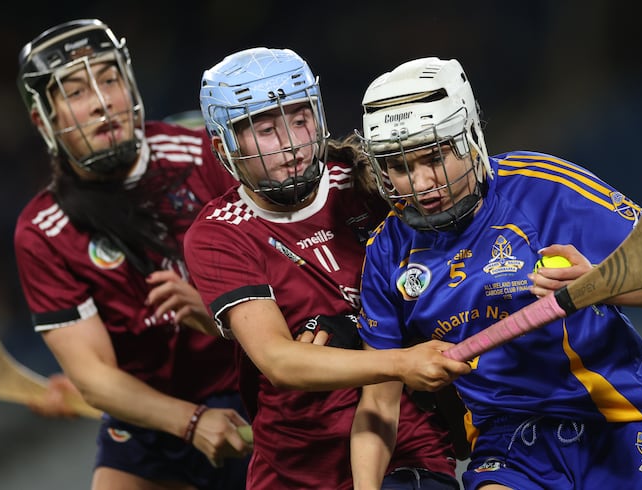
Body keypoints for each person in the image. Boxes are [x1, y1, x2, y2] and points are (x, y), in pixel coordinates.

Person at [351, 57, 642, 489]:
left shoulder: (542, 187)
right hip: (510, 443)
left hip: (617, 419)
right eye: (400, 167)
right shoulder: (387, 251)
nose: (421, 182)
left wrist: (600, 282)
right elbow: (378, 401)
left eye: (435, 156)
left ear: (469, 137)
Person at [185, 47, 471, 489]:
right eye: (265, 130)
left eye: (300, 120)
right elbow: (279, 361)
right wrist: (392, 355)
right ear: (225, 147)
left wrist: (376, 346)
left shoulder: (372, 181)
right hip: (292, 463)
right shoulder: (219, 234)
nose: (291, 143)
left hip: (404, 437)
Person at [14, 19, 251, 489]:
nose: (102, 104)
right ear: (46, 120)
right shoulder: (41, 231)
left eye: (109, 79)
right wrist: (190, 420)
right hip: (149, 412)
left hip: (254, 388)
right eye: (77, 91)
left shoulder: (205, 157)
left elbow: (293, 284)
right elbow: (95, 375)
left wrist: (216, 311)